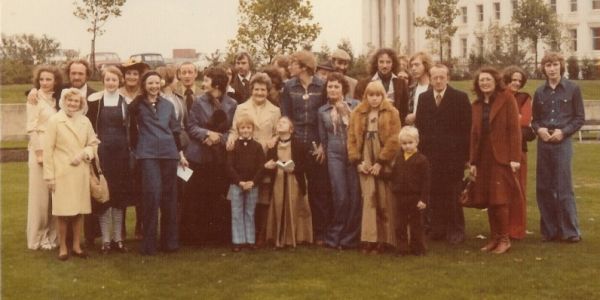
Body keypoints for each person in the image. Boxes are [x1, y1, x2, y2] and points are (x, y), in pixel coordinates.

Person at [128, 71, 188, 255]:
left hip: (169, 154)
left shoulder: (168, 105)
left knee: (169, 198)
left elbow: (176, 131)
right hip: (148, 155)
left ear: (160, 84)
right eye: (149, 83)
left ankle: (169, 243)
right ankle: (149, 244)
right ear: (144, 85)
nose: (153, 86)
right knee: (152, 196)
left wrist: (181, 154)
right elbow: (130, 128)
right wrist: (136, 151)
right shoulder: (137, 105)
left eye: (156, 83)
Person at [414, 63, 471, 244]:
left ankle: (456, 230)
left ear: (448, 78)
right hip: (431, 155)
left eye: (441, 77)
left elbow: (466, 129)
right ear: (430, 79)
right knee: (435, 193)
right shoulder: (423, 98)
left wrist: (465, 157)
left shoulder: (460, 98)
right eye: (435, 78)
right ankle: (438, 229)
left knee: (453, 194)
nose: (438, 81)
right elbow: (421, 128)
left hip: (453, 156)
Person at [532, 52, 585, 243]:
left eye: (555, 65)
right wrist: (540, 130)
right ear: (543, 68)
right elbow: (535, 120)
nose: (552, 69)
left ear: (560, 66)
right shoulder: (540, 92)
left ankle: (570, 231)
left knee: (564, 187)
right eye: (548, 65)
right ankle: (550, 230)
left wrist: (563, 132)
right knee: (544, 187)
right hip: (544, 143)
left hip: (562, 142)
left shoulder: (572, 89)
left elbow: (579, 118)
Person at [469, 67, 522, 254]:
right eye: (481, 80)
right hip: (483, 156)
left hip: (501, 156)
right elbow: (474, 135)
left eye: (488, 80)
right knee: (489, 199)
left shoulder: (506, 99)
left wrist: (515, 158)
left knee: (500, 199)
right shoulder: (476, 104)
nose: (484, 83)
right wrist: (472, 162)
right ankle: (494, 238)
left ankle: (505, 239)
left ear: (495, 81)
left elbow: (515, 129)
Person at [280, 50, 331, 245]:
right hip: (297, 142)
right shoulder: (288, 87)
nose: (289, 67)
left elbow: (326, 115)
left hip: (316, 144)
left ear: (304, 67)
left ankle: (320, 233)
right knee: (297, 188)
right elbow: (286, 116)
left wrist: (322, 145)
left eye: (293, 64)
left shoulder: (322, 85)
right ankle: (297, 233)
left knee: (318, 190)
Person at [184, 67, 237, 245]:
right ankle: (197, 237)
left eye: (206, 80)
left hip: (219, 158)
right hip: (200, 157)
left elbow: (233, 130)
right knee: (198, 197)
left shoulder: (232, 104)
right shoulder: (198, 102)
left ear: (216, 83)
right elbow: (191, 127)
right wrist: (207, 134)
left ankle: (217, 237)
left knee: (217, 196)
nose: (202, 83)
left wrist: (218, 138)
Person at [44, 88, 99, 260]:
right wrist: (49, 176)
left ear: (81, 104)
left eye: (76, 101)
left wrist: (85, 153)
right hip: (62, 172)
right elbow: (47, 150)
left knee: (79, 211)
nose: (73, 104)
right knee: (62, 212)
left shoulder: (85, 121)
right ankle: (63, 247)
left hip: (80, 172)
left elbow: (93, 143)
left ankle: (76, 245)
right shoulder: (54, 121)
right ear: (64, 101)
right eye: (70, 100)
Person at [226, 73, 281, 246]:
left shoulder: (275, 110)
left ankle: (259, 235)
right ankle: (240, 238)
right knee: (241, 198)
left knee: (262, 197)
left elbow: (278, 131)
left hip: (263, 156)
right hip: (243, 157)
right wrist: (230, 138)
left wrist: (275, 139)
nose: (259, 93)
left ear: (268, 91)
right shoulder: (241, 107)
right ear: (251, 90)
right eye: (256, 89)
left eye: (263, 90)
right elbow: (234, 129)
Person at [348, 81, 401, 254]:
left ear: (383, 96)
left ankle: (385, 239)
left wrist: (381, 162)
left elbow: (395, 139)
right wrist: (358, 162)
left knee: (384, 199)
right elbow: (352, 139)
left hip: (382, 159)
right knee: (368, 198)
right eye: (371, 95)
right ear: (366, 96)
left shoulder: (392, 112)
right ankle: (369, 239)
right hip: (365, 158)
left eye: (378, 95)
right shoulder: (357, 113)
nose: (374, 98)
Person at [87, 66, 132, 254]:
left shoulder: (126, 101)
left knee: (119, 197)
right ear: (103, 81)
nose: (111, 83)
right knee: (104, 196)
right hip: (103, 153)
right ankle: (105, 240)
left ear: (119, 81)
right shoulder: (94, 100)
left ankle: (118, 239)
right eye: (107, 79)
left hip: (121, 154)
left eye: (114, 80)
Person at [318, 72, 361, 250]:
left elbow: (359, 129)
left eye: (336, 86)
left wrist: (346, 112)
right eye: (330, 86)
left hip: (353, 154)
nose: (333, 89)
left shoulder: (355, 105)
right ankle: (334, 235)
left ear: (343, 88)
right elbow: (323, 136)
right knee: (340, 196)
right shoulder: (322, 111)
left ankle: (350, 238)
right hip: (334, 154)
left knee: (355, 197)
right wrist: (322, 147)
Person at [26, 65, 62, 250]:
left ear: (55, 81)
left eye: (48, 79)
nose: (45, 83)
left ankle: (52, 236)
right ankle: (37, 238)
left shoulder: (56, 100)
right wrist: (39, 153)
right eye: (42, 80)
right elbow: (31, 128)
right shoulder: (34, 99)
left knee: (53, 196)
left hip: (55, 151)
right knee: (40, 199)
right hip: (39, 149)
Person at [264, 117, 313, 248]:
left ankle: (295, 237)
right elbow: (270, 161)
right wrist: (269, 165)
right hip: (279, 179)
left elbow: (307, 164)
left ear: (291, 130)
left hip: (294, 179)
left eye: (284, 122)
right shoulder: (273, 145)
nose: (280, 123)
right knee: (279, 204)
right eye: (279, 122)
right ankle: (277, 237)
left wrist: (295, 168)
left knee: (294, 205)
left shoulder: (299, 144)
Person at [387, 126, 430, 256]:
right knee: (400, 224)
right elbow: (393, 175)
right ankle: (402, 248)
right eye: (404, 144)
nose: (407, 146)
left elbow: (426, 182)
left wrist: (423, 199)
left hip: (415, 197)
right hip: (400, 196)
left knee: (416, 224)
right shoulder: (399, 158)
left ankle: (418, 248)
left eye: (410, 143)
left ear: (417, 142)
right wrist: (379, 173)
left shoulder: (422, 160)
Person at [226, 116, 266, 252]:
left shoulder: (257, 147)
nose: (245, 131)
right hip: (237, 184)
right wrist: (240, 182)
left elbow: (261, 167)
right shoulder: (233, 146)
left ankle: (250, 240)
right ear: (238, 130)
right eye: (242, 128)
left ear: (253, 130)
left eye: (248, 128)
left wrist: (253, 182)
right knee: (236, 212)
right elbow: (229, 166)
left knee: (250, 212)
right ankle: (238, 241)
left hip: (252, 185)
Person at [503, 65, 533, 240]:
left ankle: (516, 229)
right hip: (499, 150)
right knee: (501, 190)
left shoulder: (524, 98)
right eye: (513, 79)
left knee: (518, 188)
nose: (516, 83)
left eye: (519, 81)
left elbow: (525, 121)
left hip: (518, 149)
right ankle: (502, 227)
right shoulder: (499, 96)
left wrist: (509, 121)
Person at [367, 48, 409, 122]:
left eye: (388, 62)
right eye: (381, 62)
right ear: (376, 63)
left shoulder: (401, 83)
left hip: (394, 125)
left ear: (393, 64)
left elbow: (404, 109)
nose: (385, 66)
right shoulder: (366, 83)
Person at [405, 51, 433, 125]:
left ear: (426, 66)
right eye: (411, 66)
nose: (413, 68)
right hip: (412, 132)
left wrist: (417, 116)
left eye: (417, 65)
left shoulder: (434, 89)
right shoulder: (410, 89)